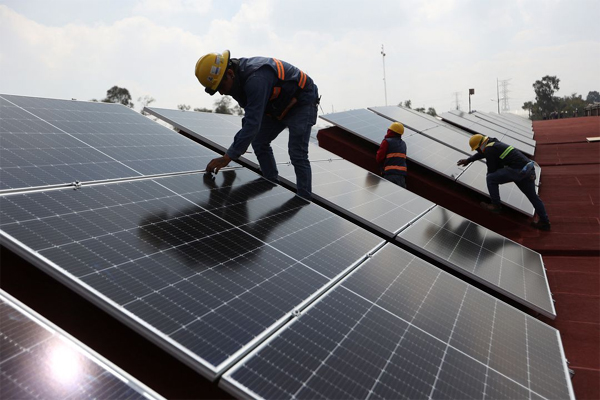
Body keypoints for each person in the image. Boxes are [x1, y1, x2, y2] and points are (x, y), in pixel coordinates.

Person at [195, 50, 319, 200]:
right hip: (276, 106)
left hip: (301, 103)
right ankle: (270, 181)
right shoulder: (235, 82)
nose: (221, 93)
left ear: (229, 73)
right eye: (216, 90)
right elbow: (250, 118)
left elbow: (253, 124)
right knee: (259, 141)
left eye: (221, 86)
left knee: (297, 152)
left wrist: (228, 157)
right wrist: (236, 148)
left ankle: (303, 200)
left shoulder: (256, 78)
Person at [457, 134, 551, 231]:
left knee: (491, 178)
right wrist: (469, 160)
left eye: (477, 149)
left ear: (480, 145)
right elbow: (483, 153)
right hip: (528, 170)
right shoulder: (493, 143)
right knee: (533, 197)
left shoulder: (489, 149)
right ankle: (545, 222)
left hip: (518, 171)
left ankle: (495, 205)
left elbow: (492, 170)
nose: (477, 151)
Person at [375, 122, 407, 188]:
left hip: (390, 175)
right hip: (401, 177)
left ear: (391, 131)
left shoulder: (386, 142)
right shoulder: (403, 144)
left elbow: (379, 158)